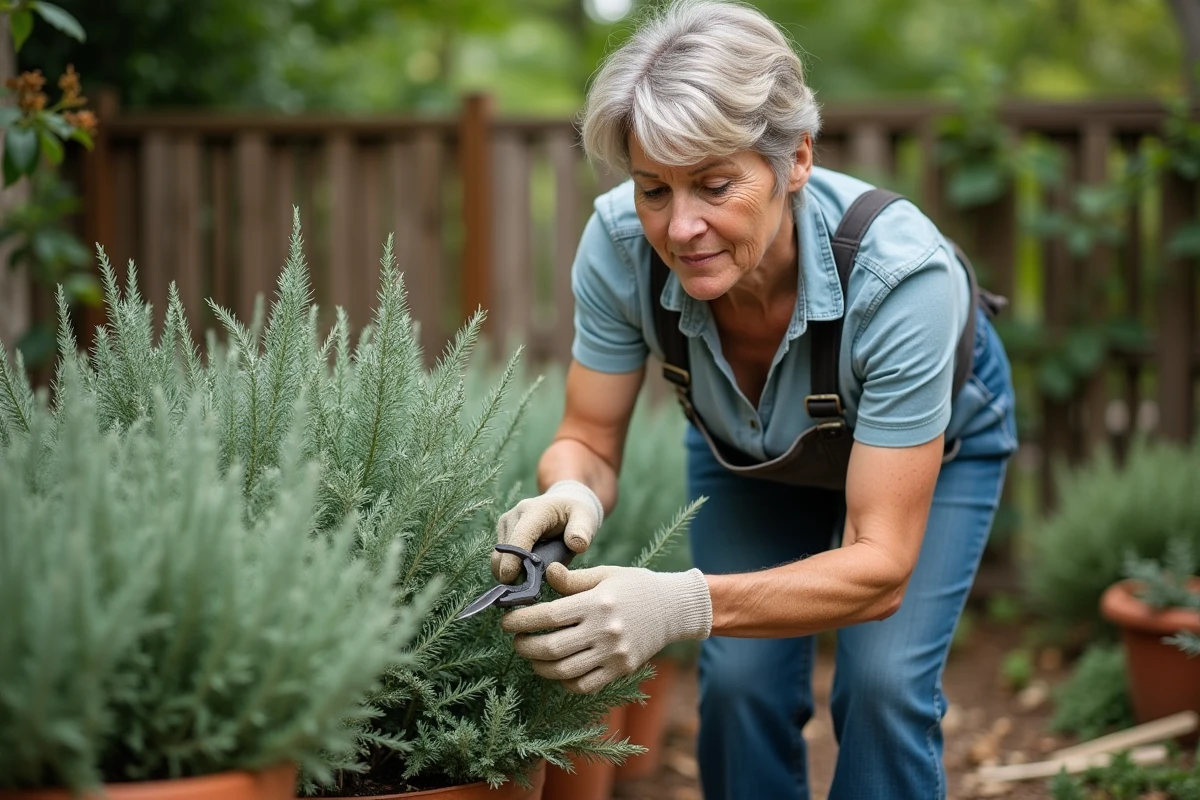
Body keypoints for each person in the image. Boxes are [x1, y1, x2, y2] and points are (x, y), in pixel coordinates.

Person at [490, 1, 1019, 797]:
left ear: (796, 159)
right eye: (654, 189)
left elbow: (879, 569)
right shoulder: (618, 247)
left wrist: (678, 604)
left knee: (881, 689)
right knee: (738, 686)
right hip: (747, 446)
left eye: (713, 184)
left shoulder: (902, 280)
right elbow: (590, 438)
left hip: (933, 450)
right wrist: (568, 487)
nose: (682, 227)